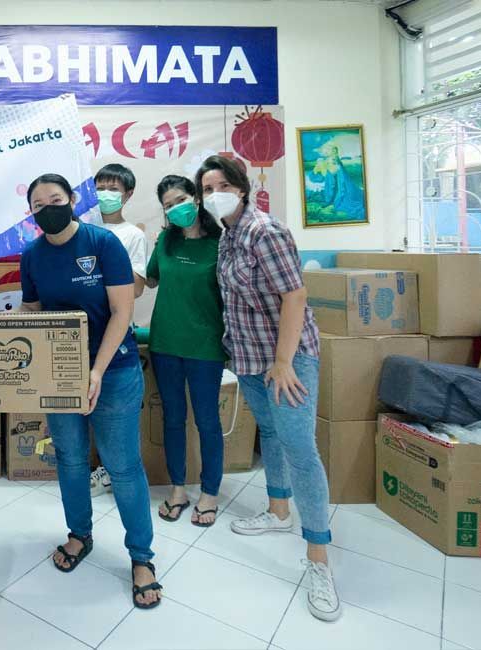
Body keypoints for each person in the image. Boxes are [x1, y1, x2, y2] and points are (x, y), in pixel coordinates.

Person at [201, 155, 342, 621]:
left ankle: (319, 560)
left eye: (221, 184)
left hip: (286, 358)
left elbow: (295, 296)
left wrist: (284, 362)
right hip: (248, 356)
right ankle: (279, 511)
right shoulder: (227, 237)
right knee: (273, 434)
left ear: (241, 187)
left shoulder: (266, 231)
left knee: (301, 447)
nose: (214, 193)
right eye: (207, 188)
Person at [18, 173, 161, 609]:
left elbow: (122, 312)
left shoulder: (103, 244)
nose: (48, 209)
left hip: (113, 373)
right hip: (59, 378)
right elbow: (32, 312)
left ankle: (141, 557)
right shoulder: (32, 255)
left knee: (122, 466)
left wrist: (96, 370)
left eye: (56, 199)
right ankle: (80, 534)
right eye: (38, 205)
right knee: (71, 459)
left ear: (74, 200)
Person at [145, 175, 226, 527]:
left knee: (208, 421)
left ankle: (210, 492)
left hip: (206, 346)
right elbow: (149, 279)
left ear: (196, 198)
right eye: (167, 205)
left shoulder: (221, 243)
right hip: (165, 344)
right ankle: (178, 488)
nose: (175, 208)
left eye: (180, 199)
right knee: (173, 418)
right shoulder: (164, 240)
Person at [89, 163, 149, 499]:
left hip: (115, 332)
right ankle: (96, 468)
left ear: (127, 194)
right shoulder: (80, 227)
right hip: (79, 333)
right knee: (85, 408)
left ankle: (113, 472)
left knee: (113, 411)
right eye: (100, 187)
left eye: (114, 188)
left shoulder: (133, 235)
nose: (106, 194)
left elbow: (137, 289)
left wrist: (111, 267)